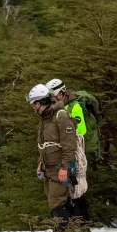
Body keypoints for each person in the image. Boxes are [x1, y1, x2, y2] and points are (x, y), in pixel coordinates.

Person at [28, 83, 78, 232]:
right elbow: (43, 145)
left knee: (56, 202)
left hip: (59, 167)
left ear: (39, 103)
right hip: (48, 167)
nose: (32, 108)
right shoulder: (45, 118)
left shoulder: (61, 116)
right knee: (55, 201)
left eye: (33, 105)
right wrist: (40, 164)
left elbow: (70, 145)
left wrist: (65, 167)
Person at [46, 78, 92, 220]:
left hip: (75, 153)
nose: (52, 99)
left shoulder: (74, 107)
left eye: (53, 96)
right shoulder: (61, 108)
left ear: (60, 93)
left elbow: (81, 130)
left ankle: (84, 225)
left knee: (76, 189)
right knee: (68, 189)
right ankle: (75, 222)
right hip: (65, 152)